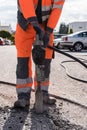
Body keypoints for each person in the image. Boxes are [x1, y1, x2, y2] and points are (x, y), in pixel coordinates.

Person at [14, 0, 65, 108]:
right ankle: (23, 96)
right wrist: (35, 25)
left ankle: (43, 93)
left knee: (45, 60)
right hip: (26, 23)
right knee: (23, 59)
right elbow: (26, 3)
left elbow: (57, 9)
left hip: (45, 25)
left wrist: (48, 32)